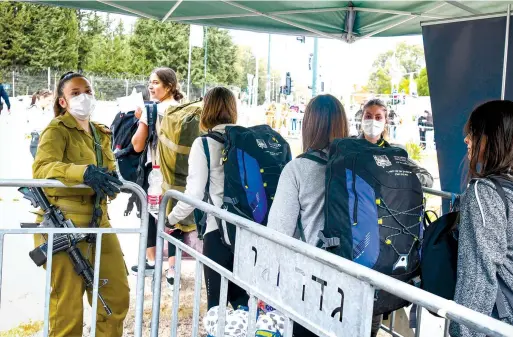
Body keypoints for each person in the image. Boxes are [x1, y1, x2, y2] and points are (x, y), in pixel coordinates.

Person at [32, 72, 129, 336]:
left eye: (87, 91)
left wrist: (112, 181)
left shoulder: (100, 132)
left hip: (100, 222)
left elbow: (109, 172)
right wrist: (83, 172)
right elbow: (41, 169)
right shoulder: (57, 130)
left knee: (115, 297)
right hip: (65, 224)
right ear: (62, 101)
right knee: (68, 307)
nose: (83, 97)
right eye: (75, 93)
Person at [268, 94, 349, 337]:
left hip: (311, 286)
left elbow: (278, 232)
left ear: (309, 125)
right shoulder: (355, 167)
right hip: (354, 283)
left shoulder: (298, 169)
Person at [166, 86, 248, 310]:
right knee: (243, 303)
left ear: (207, 110)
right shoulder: (246, 140)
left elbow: (193, 194)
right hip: (249, 232)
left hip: (218, 231)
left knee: (217, 306)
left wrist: (170, 219)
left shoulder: (204, 144)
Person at [450, 100, 513, 337]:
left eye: (474, 132)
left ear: (494, 138)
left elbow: (477, 278)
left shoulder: (485, 192)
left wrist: (462, 331)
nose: (467, 139)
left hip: (499, 323)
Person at [130, 67, 188, 290]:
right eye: (150, 82)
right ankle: (173, 269)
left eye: (155, 83)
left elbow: (137, 145)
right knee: (175, 218)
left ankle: (153, 262)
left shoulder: (151, 110)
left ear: (169, 86)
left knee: (151, 216)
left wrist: (140, 121)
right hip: (180, 173)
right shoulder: (184, 109)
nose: (151, 87)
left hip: (155, 172)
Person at [359, 99, 434, 188]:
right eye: (368, 116)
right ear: (362, 119)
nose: (373, 121)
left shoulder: (394, 151)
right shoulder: (348, 147)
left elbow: (428, 178)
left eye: (378, 117)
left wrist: (402, 176)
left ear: (385, 122)